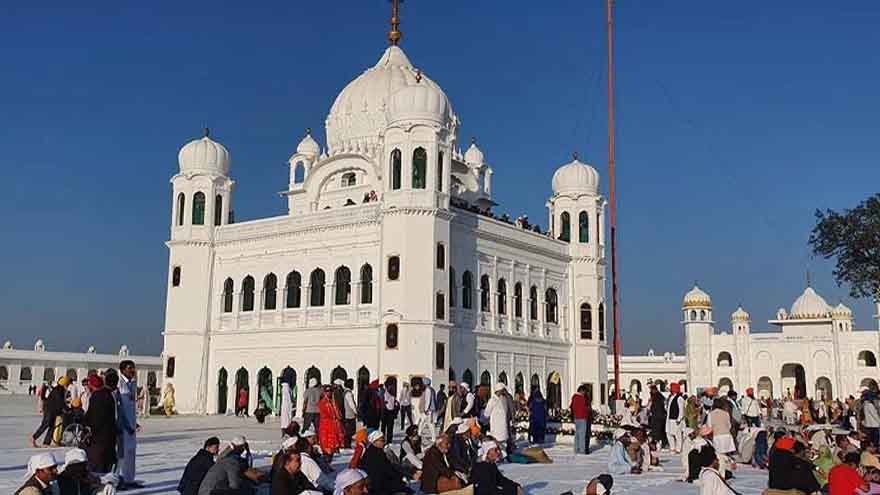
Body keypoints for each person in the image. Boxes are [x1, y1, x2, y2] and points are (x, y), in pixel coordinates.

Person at [117, 359, 140, 488]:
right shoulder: (120, 384)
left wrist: (134, 423)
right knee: (123, 454)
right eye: (130, 368)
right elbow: (121, 409)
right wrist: (126, 425)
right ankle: (120, 479)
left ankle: (130, 479)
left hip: (131, 425)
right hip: (123, 426)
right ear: (122, 370)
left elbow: (130, 406)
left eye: (133, 368)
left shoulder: (133, 383)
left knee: (131, 452)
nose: (132, 371)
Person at [31, 376, 69, 447]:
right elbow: (60, 402)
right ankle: (34, 437)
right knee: (45, 425)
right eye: (67, 384)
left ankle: (46, 442)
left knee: (52, 426)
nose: (67, 386)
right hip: (50, 411)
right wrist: (67, 409)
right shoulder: (59, 390)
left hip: (52, 411)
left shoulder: (58, 389)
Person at [318, 386, 344, 463]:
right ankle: (326, 463)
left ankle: (329, 462)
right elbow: (326, 414)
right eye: (327, 391)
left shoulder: (333, 402)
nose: (329, 392)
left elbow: (338, 413)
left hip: (333, 427)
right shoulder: (323, 402)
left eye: (330, 391)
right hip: (326, 427)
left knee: (332, 446)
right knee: (326, 446)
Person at [484, 383, 511, 452]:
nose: (503, 392)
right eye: (502, 390)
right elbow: (486, 413)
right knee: (497, 443)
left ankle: (503, 456)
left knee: (503, 443)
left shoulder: (504, 399)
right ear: (498, 391)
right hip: (496, 427)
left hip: (503, 426)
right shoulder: (492, 400)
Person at [665, 382, 686, 454]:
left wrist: (679, 419)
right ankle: (672, 447)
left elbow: (681, 410)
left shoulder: (680, 398)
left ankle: (678, 449)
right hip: (669, 419)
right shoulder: (671, 397)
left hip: (676, 420)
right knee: (669, 433)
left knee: (677, 435)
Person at [570, 385, 590, 455]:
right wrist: (588, 410)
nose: (584, 393)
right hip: (582, 417)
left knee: (577, 434)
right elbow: (584, 408)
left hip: (576, 417)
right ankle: (582, 450)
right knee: (582, 435)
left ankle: (576, 449)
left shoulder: (574, 397)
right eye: (584, 391)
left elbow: (572, 407)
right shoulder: (582, 398)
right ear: (581, 390)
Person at [419, 378, 438, 444]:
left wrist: (426, 409)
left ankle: (433, 438)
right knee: (422, 422)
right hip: (431, 409)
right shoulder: (432, 389)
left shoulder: (428, 390)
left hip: (429, 410)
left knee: (430, 424)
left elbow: (428, 400)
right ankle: (419, 434)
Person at [342, 380, 357, 448]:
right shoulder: (348, 393)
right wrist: (356, 411)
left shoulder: (345, 392)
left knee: (348, 431)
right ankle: (347, 444)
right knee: (349, 431)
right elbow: (351, 404)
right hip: (349, 414)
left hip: (347, 414)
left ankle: (347, 444)